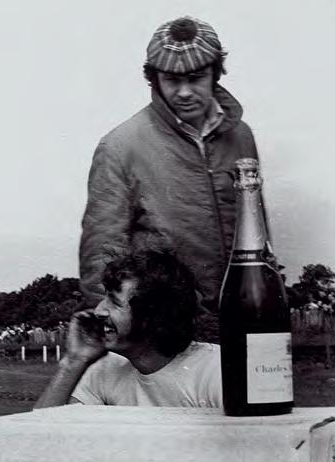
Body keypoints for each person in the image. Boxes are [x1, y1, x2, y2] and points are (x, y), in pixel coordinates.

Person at [78, 16, 261, 318]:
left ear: (215, 73)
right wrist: (113, 328)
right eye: (173, 80)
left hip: (241, 313)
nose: (185, 92)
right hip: (164, 324)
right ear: (155, 79)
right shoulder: (120, 146)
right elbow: (102, 256)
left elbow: (256, 226)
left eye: (196, 78)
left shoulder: (241, 135)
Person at [35, 245, 222, 409]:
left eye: (114, 302)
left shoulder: (216, 372)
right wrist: (73, 362)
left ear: (153, 317)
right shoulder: (106, 367)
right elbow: (41, 431)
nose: (99, 310)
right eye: (104, 298)